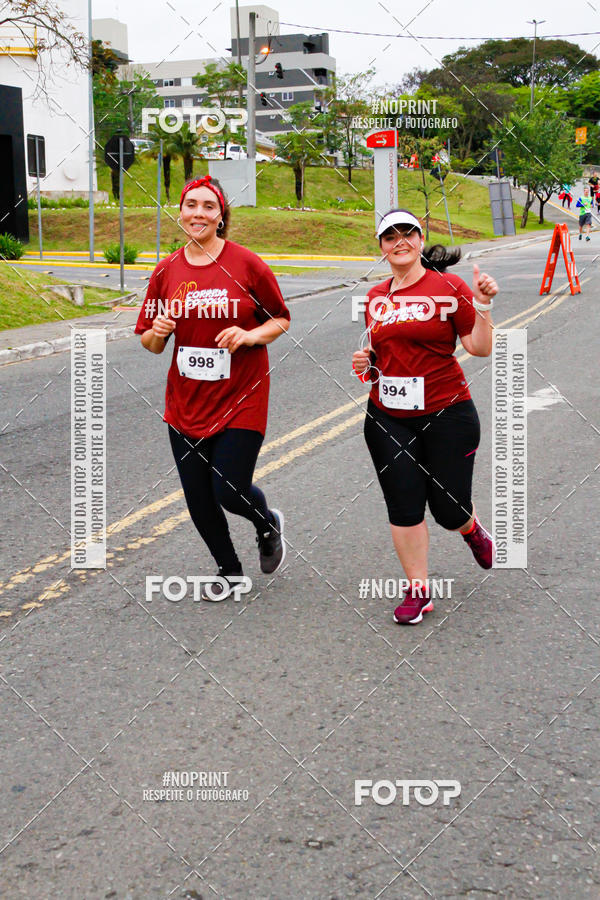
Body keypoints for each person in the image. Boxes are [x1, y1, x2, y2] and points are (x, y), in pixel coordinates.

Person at [135, 175, 291, 601]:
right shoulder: (166, 270)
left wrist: (249, 335)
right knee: (199, 497)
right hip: (185, 402)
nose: (198, 213)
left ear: (221, 216)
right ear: (180, 212)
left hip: (243, 395)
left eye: (208, 206)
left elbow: (280, 318)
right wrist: (160, 330)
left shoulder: (247, 264)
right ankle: (230, 572)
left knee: (228, 488)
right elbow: (149, 343)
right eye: (191, 205)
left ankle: (266, 523)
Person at [352, 209, 498, 625]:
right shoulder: (377, 297)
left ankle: (470, 529)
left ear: (419, 239)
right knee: (404, 505)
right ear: (381, 246)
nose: (399, 241)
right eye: (389, 236)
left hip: (447, 412)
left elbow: (478, 347)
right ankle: (418, 590)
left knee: (449, 510)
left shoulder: (447, 287)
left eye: (407, 233)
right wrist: (366, 362)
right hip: (387, 416)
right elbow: (381, 357)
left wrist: (484, 304)